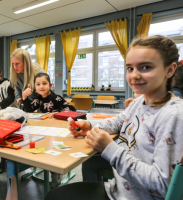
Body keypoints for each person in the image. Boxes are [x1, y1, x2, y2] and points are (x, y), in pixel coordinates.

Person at [45, 35, 183, 200]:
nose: (134, 75)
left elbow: (163, 185)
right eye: (130, 68)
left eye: (145, 67)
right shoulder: (139, 102)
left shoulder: (173, 116)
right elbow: (118, 122)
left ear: (170, 70)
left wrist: (109, 149)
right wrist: (89, 125)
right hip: (118, 189)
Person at [23, 73, 76, 188]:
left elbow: (70, 109)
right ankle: (44, 165)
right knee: (44, 146)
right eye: (38, 84)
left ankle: (55, 175)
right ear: (34, 87)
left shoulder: (56, 98)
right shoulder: (38, 98)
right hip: (45, 129)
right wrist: (24, 98)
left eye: (44, 83)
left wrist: (56, 113)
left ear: (51, 85)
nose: (41, 86)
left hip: (57, 130)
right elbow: (29, 109)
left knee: (53, 150)